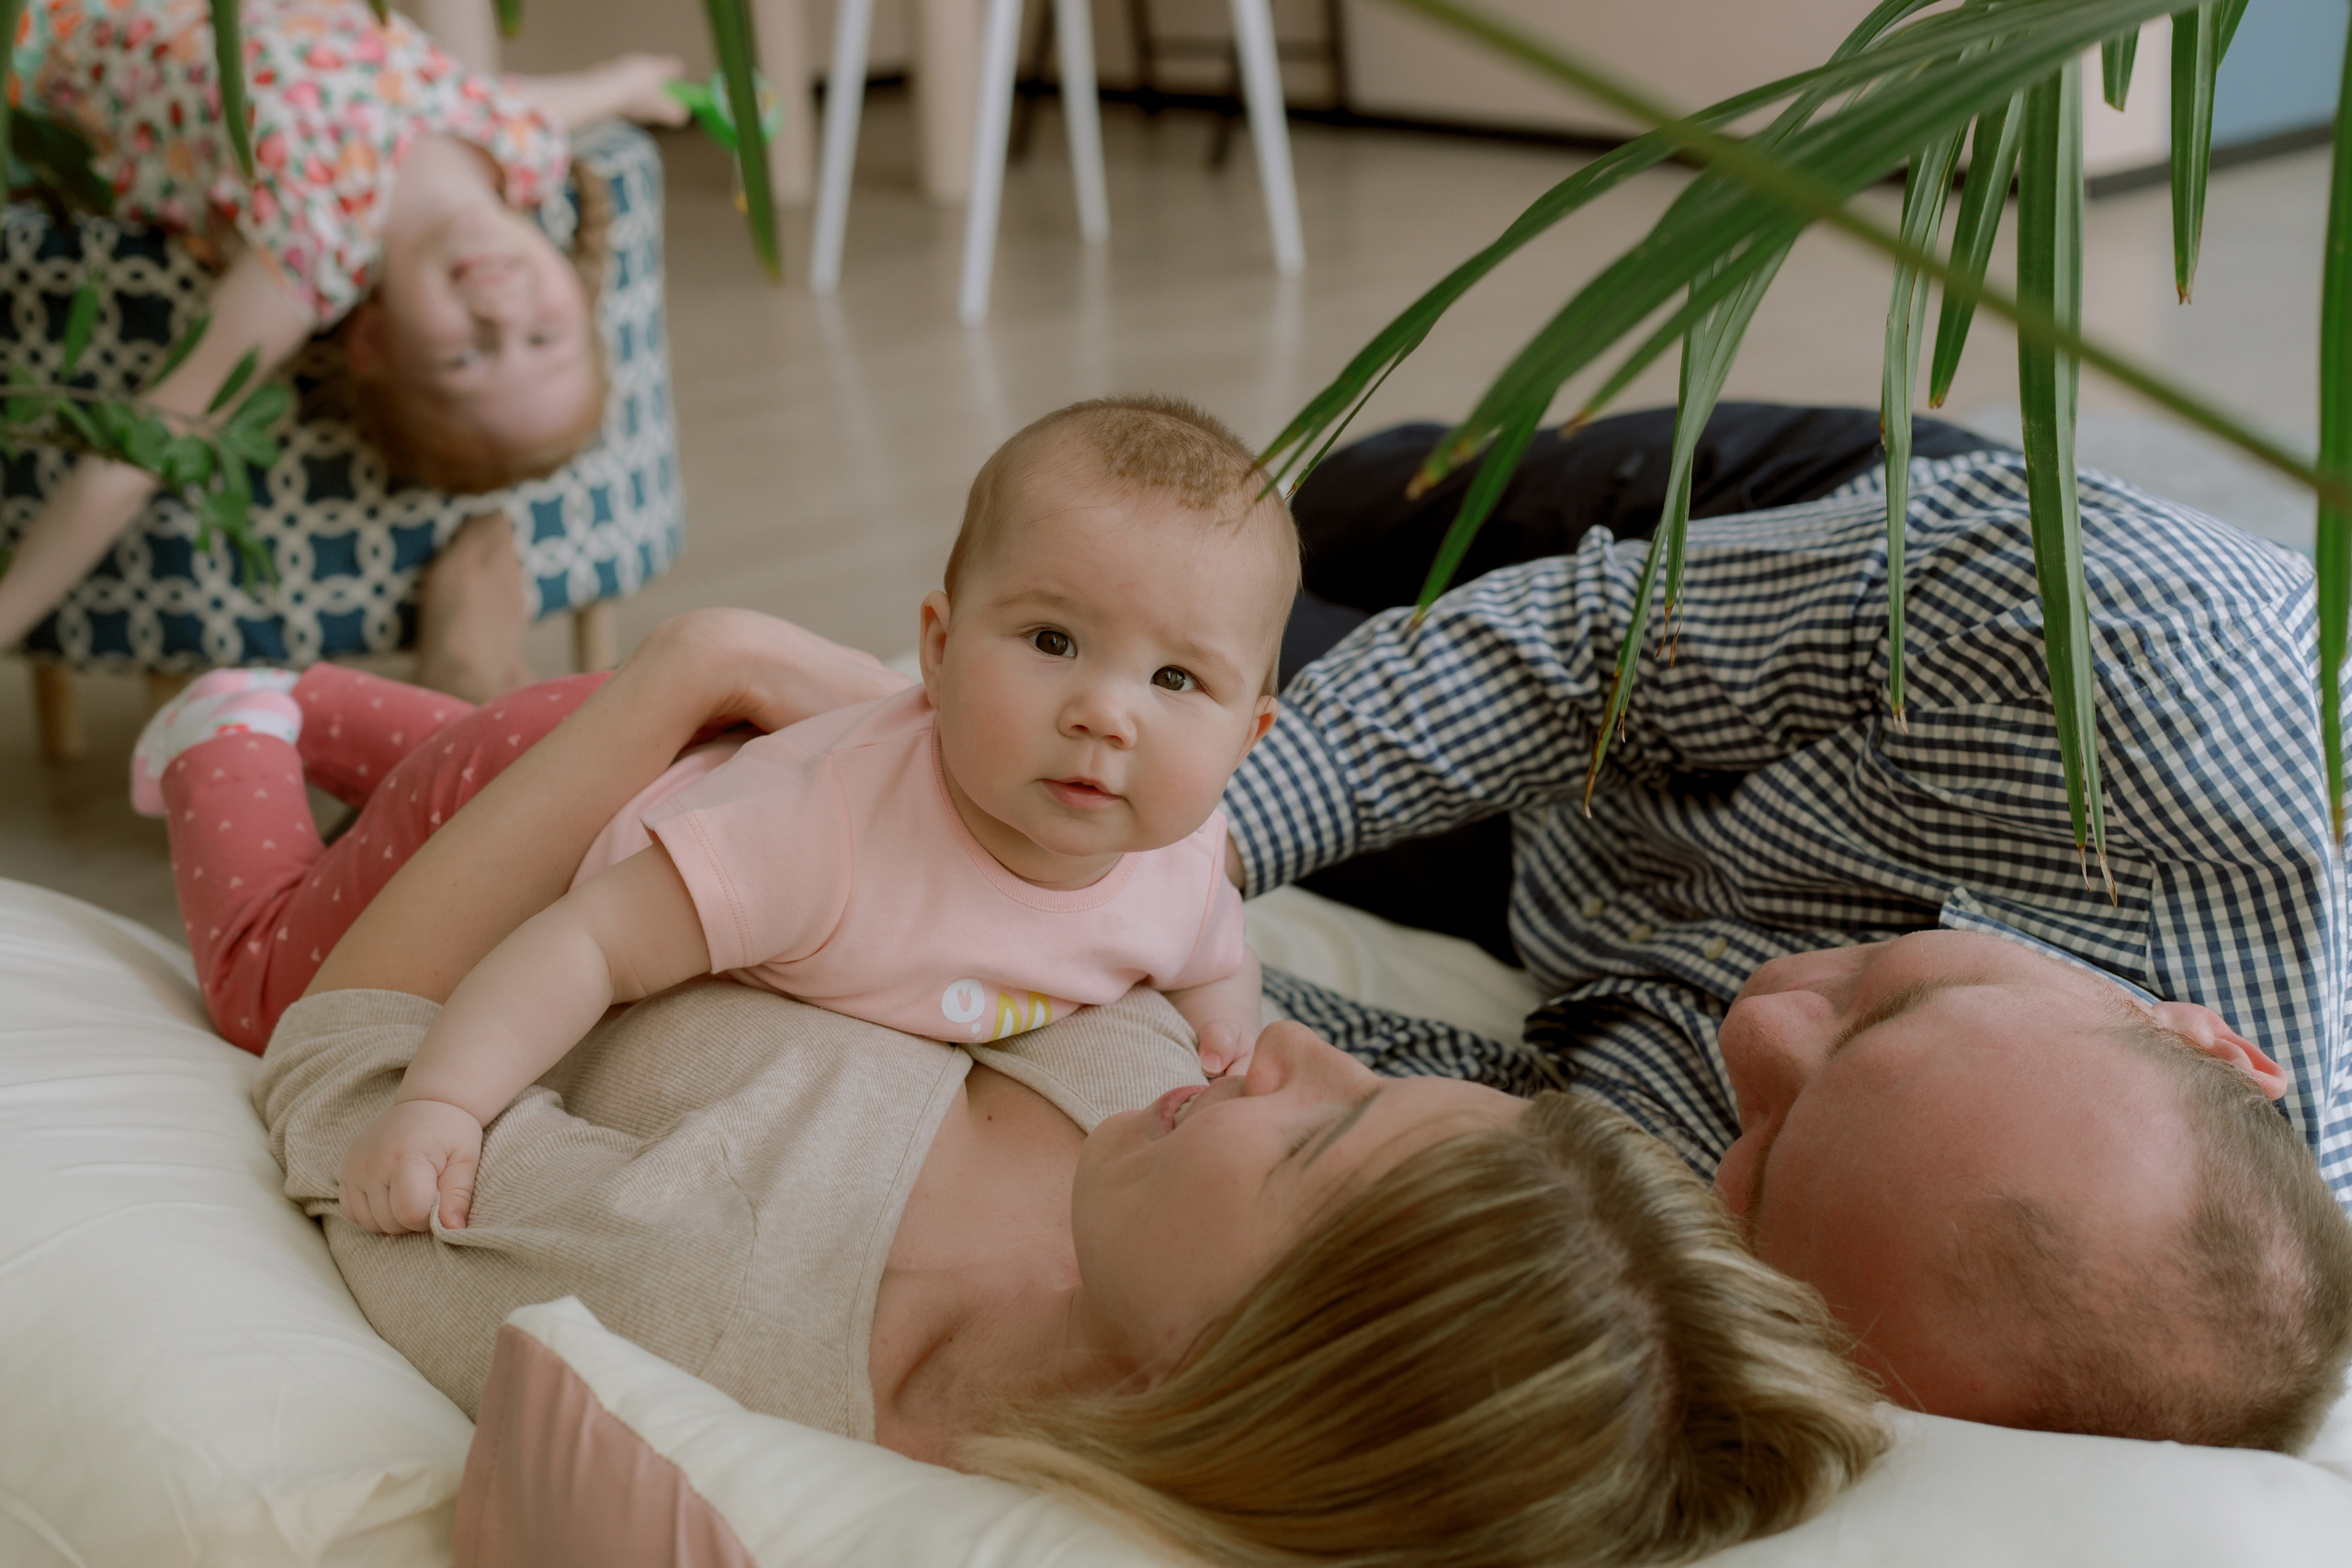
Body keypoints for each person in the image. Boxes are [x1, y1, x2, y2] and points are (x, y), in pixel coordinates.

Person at [247, 604, 1891, 1568]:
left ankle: (232, 733)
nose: (1303, 1050)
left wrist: (684, 675)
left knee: (280, 804)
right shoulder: (1159, 1142)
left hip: (551, 818)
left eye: (1318, 1132)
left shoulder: (714, 1287)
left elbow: (349, 1058)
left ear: (1239, 1367)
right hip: (735, 799)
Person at [1221, 404, 2352, 1452]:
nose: (1756, 1026)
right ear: (2204, 1039)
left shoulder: (1819, 1285)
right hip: (1775, 582)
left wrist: (1170, 960)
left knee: (1194, 661)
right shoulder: (2149, 656)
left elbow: (1454, 1097)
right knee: (1332, 508)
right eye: (1890, 1011)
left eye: (1761, 1170)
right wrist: (1208, 846)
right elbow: (1598, 647)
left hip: (1582, 884)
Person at [136, 397, 1278, 1096]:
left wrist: (1232, 1030)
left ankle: (328, 708)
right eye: (1051, 640)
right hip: (568, 795)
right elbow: (586, 943)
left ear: (1249, 734)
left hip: (679, 741)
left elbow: (1212, 948)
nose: (1105, 712)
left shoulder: (1179, 854)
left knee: (489, 744)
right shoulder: (829, 842)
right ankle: (228, 726)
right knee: (274, 1004)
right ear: (933, 648)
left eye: (1176, 679)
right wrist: (441, 1100)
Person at [0, 0, 689, 699]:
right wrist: (628, 84)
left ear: (373, 342)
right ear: (580, 290)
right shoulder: (523, 150)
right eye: (546, 338)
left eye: (465, 359)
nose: (500, 319)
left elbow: (137, 453)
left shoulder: (314, 248)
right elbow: (543, 101)